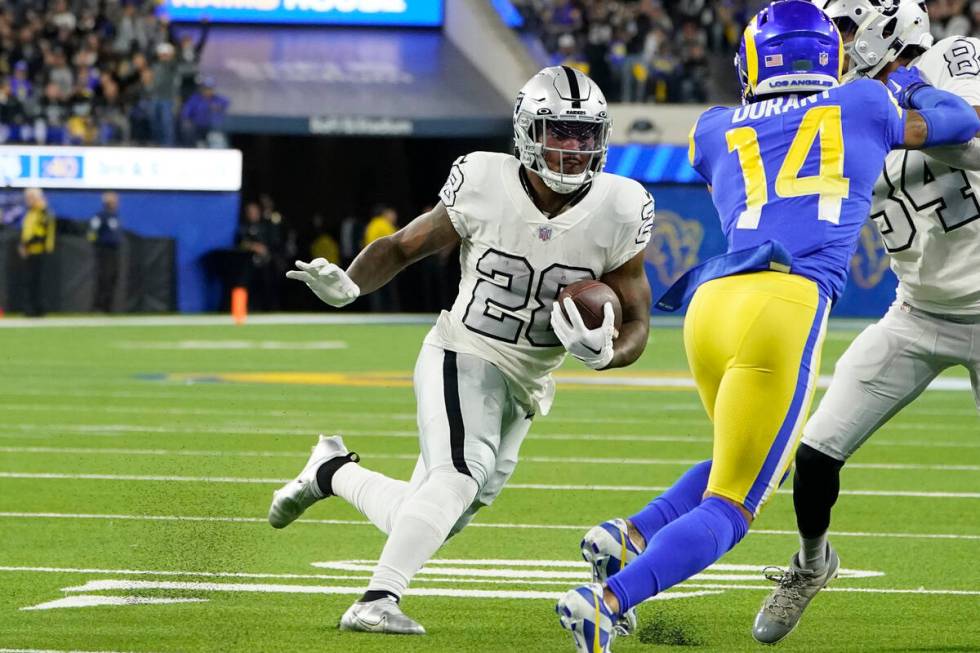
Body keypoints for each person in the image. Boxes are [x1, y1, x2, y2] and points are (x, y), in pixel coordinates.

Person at [555, 2, 980, 651]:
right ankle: (609, 599)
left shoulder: (713, 125)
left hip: (712, 301)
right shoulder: (865, 102)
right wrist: (904, 87)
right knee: (736, 498)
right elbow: (953, 120)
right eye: (831, 36)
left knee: (752, 458)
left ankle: (630, 534)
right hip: (796, 306)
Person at [270, 66, 655, 635]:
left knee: (437, 513)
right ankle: (376, 599)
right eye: (559, 131)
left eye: (584, 134)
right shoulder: (482, 179)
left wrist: (609, 354)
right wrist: (350, 285)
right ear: (527, 131)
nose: (573, 148)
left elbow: (639, 319)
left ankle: (331, 472)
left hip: (528, 379)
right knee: (460, 473)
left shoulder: (621, 206)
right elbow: (402, 247)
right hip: (465, 347)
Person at [753, 0, 980, 643]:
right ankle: (811, 563)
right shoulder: (844, 104)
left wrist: (914, 101)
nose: (836, 46)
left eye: (845, 31)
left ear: (887, 26)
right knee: (815, 456)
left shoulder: (952, 61)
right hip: (915, 312)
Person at [19, 187, 56, 317]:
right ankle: (31, 309)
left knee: (38, 282)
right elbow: (27, 231)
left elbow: (40, 234)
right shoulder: (31, 212)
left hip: (39, 252)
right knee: (30, 281)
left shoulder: (43, 212)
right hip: (31, 252)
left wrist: (26, 245)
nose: (27, 201)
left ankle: (38, 309)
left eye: (29, 198)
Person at [87, 191, 123, 313]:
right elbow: (92, 232)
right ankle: (99, 307)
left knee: (112, 277)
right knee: (104, 277)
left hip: (114, 250)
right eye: (113, 201)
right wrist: (96, 244)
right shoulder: (101, 216)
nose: (116, 203)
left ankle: (108, 307)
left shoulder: (115, 216)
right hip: (104, 250)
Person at [362, 204, 400, 312]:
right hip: (386, 262)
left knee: (375, 290)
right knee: (390, 290)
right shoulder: (385, 224)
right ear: (384, 214)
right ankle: (392, 312)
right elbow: (395, 243)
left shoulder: (370, 226)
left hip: (372, 262)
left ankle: (377, 312)